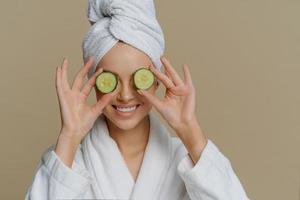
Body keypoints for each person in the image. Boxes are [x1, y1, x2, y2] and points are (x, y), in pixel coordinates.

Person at [25, 0, 250, 199]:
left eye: (139, 79)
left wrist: (189, 129)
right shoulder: (68, 162)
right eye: (109, 80)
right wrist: (69, 136)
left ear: (157, 80)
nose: (124, 95)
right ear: (93, 81)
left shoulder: (187, 158)